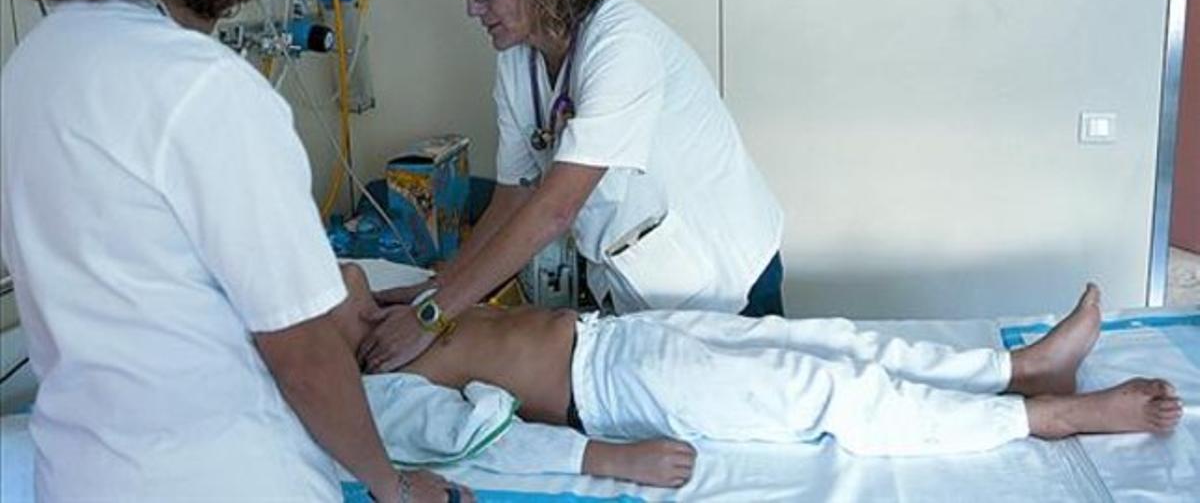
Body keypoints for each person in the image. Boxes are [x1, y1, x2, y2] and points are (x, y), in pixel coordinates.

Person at [0, 0, 467, 502]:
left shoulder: (34, 66)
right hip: (219, 475)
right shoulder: (200, 86)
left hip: (82, 474)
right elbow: (305, 355)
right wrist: (393, 489)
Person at [360, 0, 786, 372]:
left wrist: (431, 317)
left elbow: (555, 208)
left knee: (742, 420)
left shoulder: (624, 44)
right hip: (641, 278)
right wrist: (440, 288)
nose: (472, 9)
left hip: (725, 278)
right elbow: (513, 199)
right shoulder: (518, 58)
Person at [334, 263, 1182, 487]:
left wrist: (429, 303)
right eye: (327, 285)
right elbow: (477, 438)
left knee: (830, 342)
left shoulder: (397, 313)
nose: (342, 276)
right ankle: (1049, 418)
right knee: (828, 394)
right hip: (616, 393)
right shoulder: (370, 389)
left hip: (621, 336)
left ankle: (1017, 367)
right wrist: (607, 461)